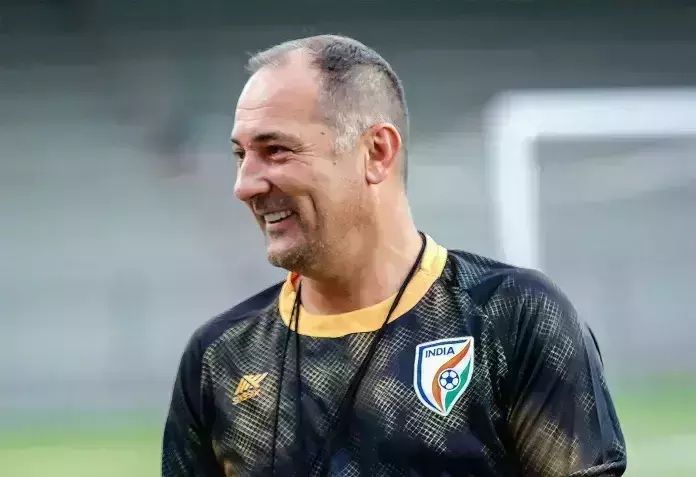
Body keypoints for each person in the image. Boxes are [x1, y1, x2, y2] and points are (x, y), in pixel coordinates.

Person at [162, 34, 627, 477]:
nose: (245, 184)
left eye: (276, 150)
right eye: (241, 155)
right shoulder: (219, 358)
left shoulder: (512, 318)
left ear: (376, 152)